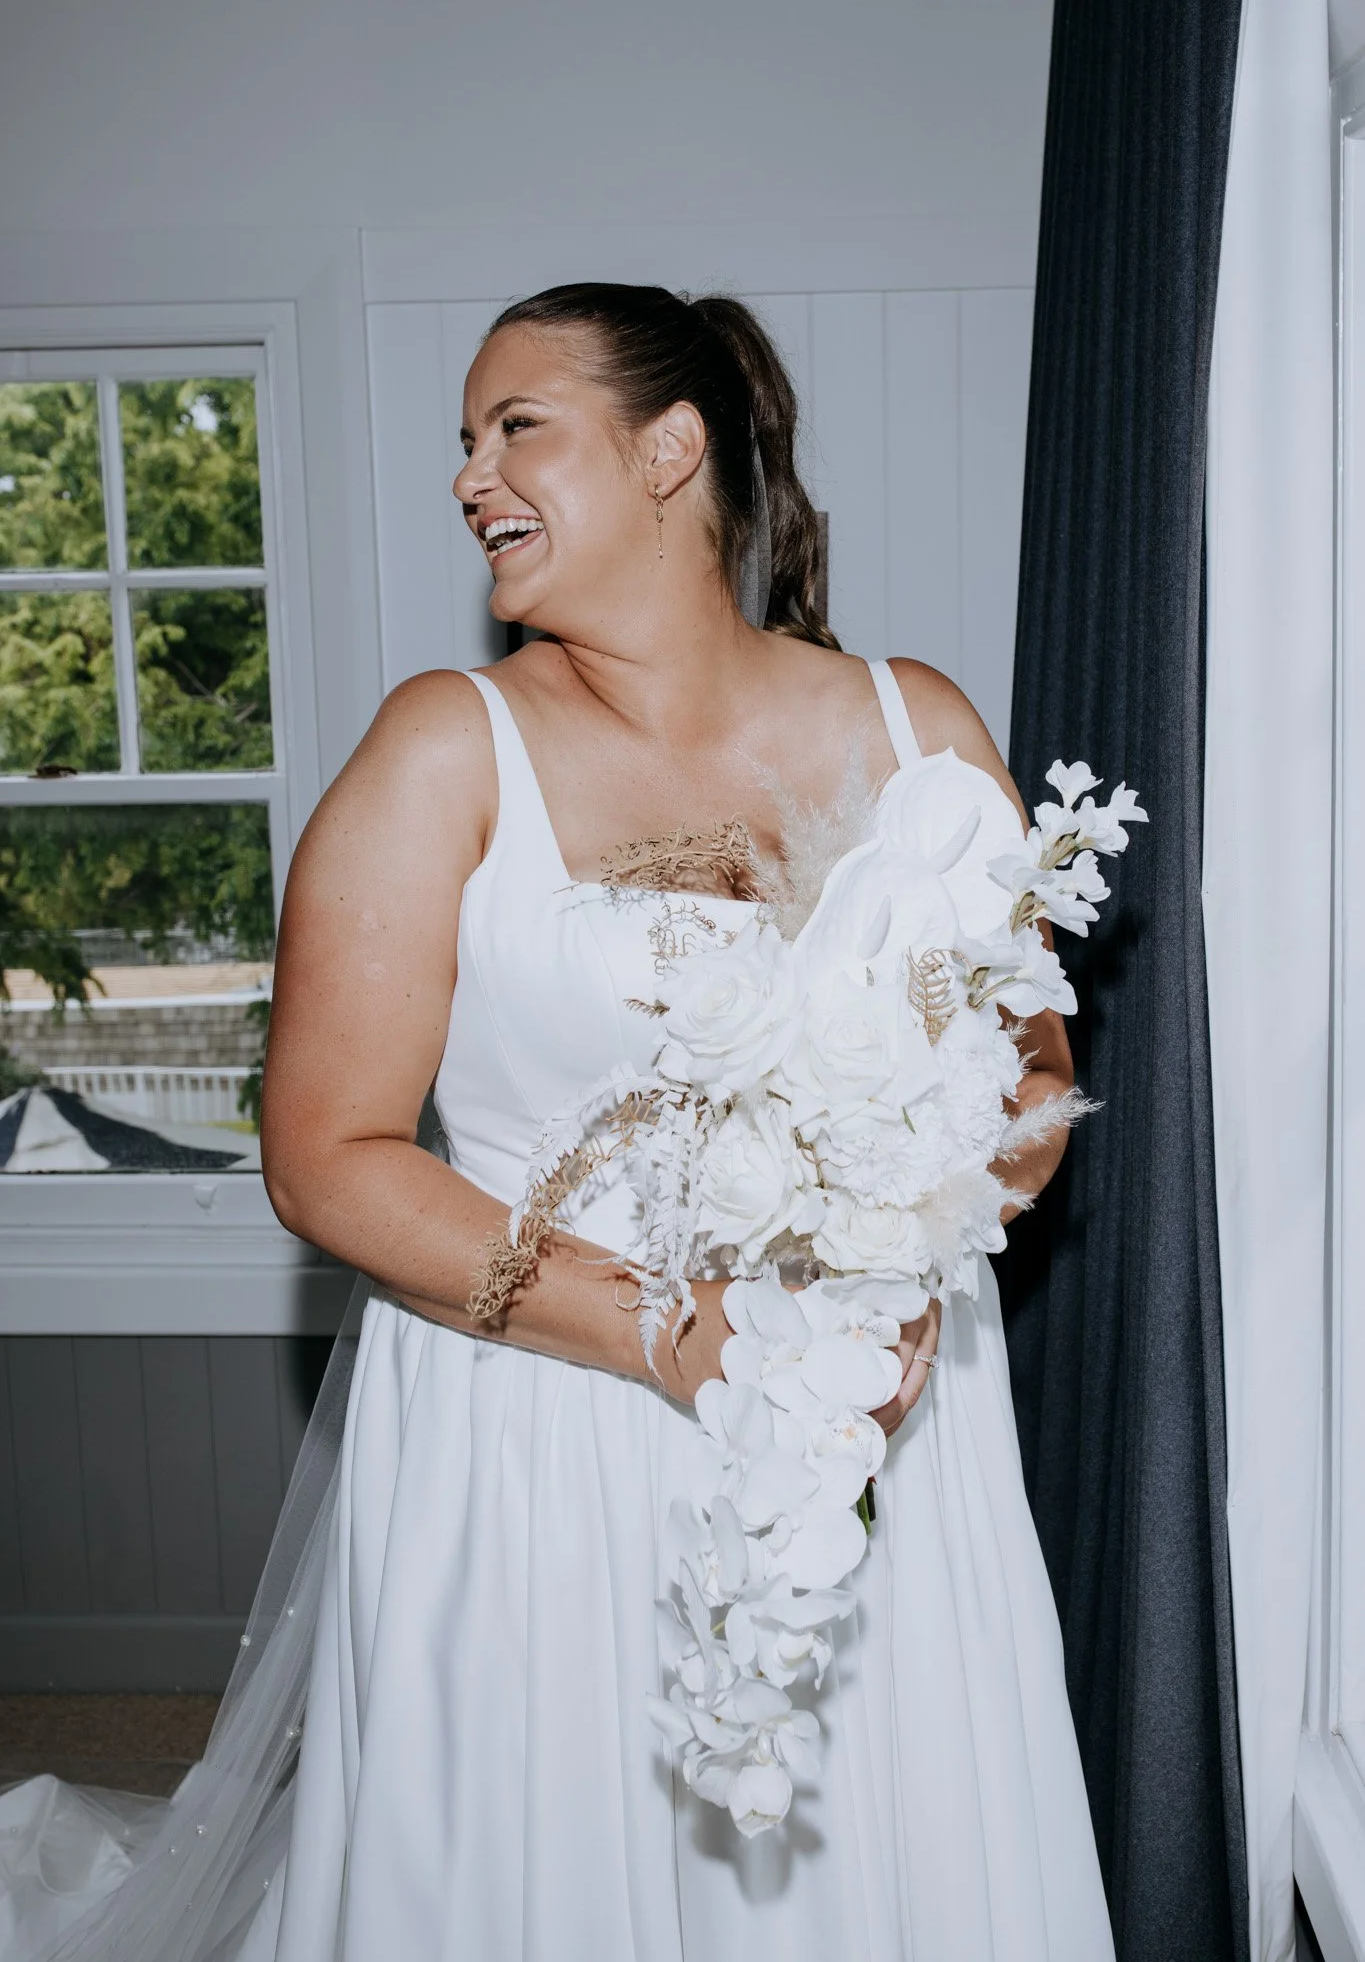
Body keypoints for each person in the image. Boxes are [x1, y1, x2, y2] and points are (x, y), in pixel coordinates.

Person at [0, 284, 1114, 1960]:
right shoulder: (444, 749)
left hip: (872, 1413)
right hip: (539, 1417)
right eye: (462, 440)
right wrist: (673, 1333)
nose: (471, 474)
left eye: (517, 425)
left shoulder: (919, 730)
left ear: (671, 450)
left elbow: (1032, 1077)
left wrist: (907, 1261)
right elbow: (326, 1157)